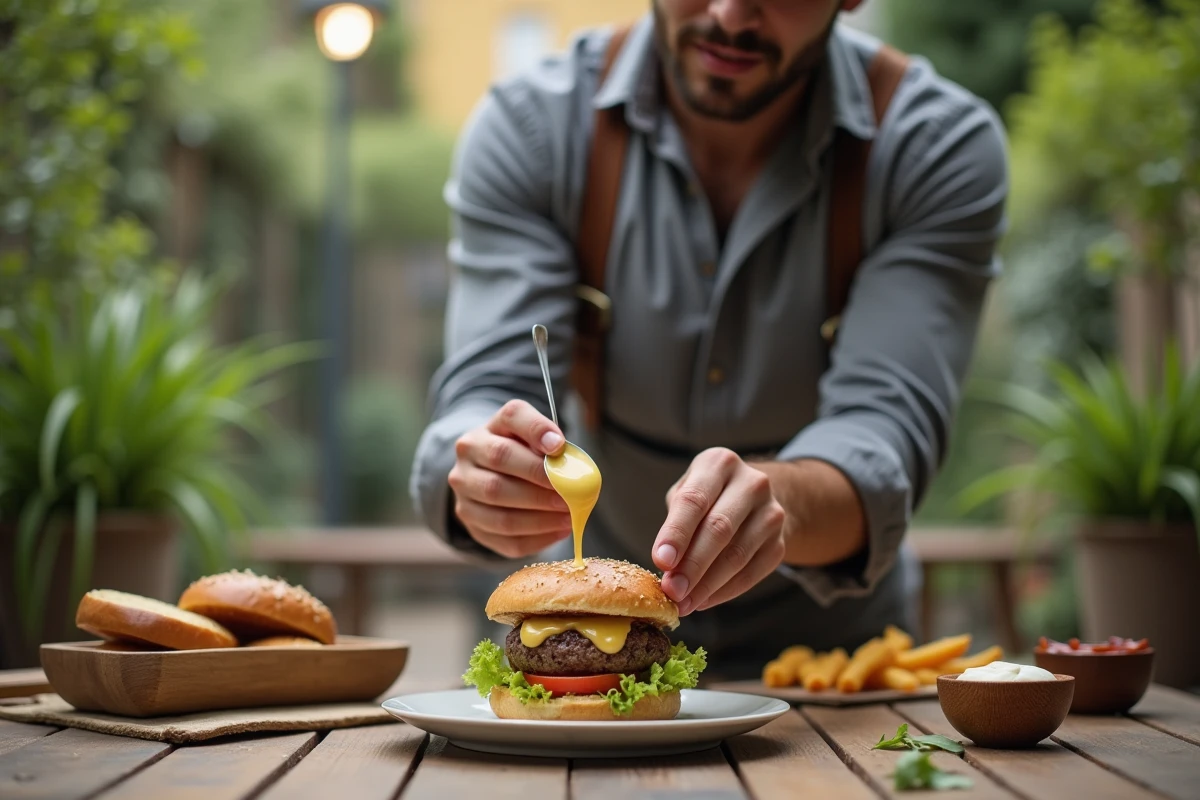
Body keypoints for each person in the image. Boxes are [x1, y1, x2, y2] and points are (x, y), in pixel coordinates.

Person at [411, 0, 1008, 678]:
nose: (730, 15)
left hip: (834, 672)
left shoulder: (933, 146)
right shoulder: (533, 127)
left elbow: (887, 430)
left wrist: (778, 501)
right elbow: (489, 387)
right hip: (586, 666)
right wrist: (479, 469)